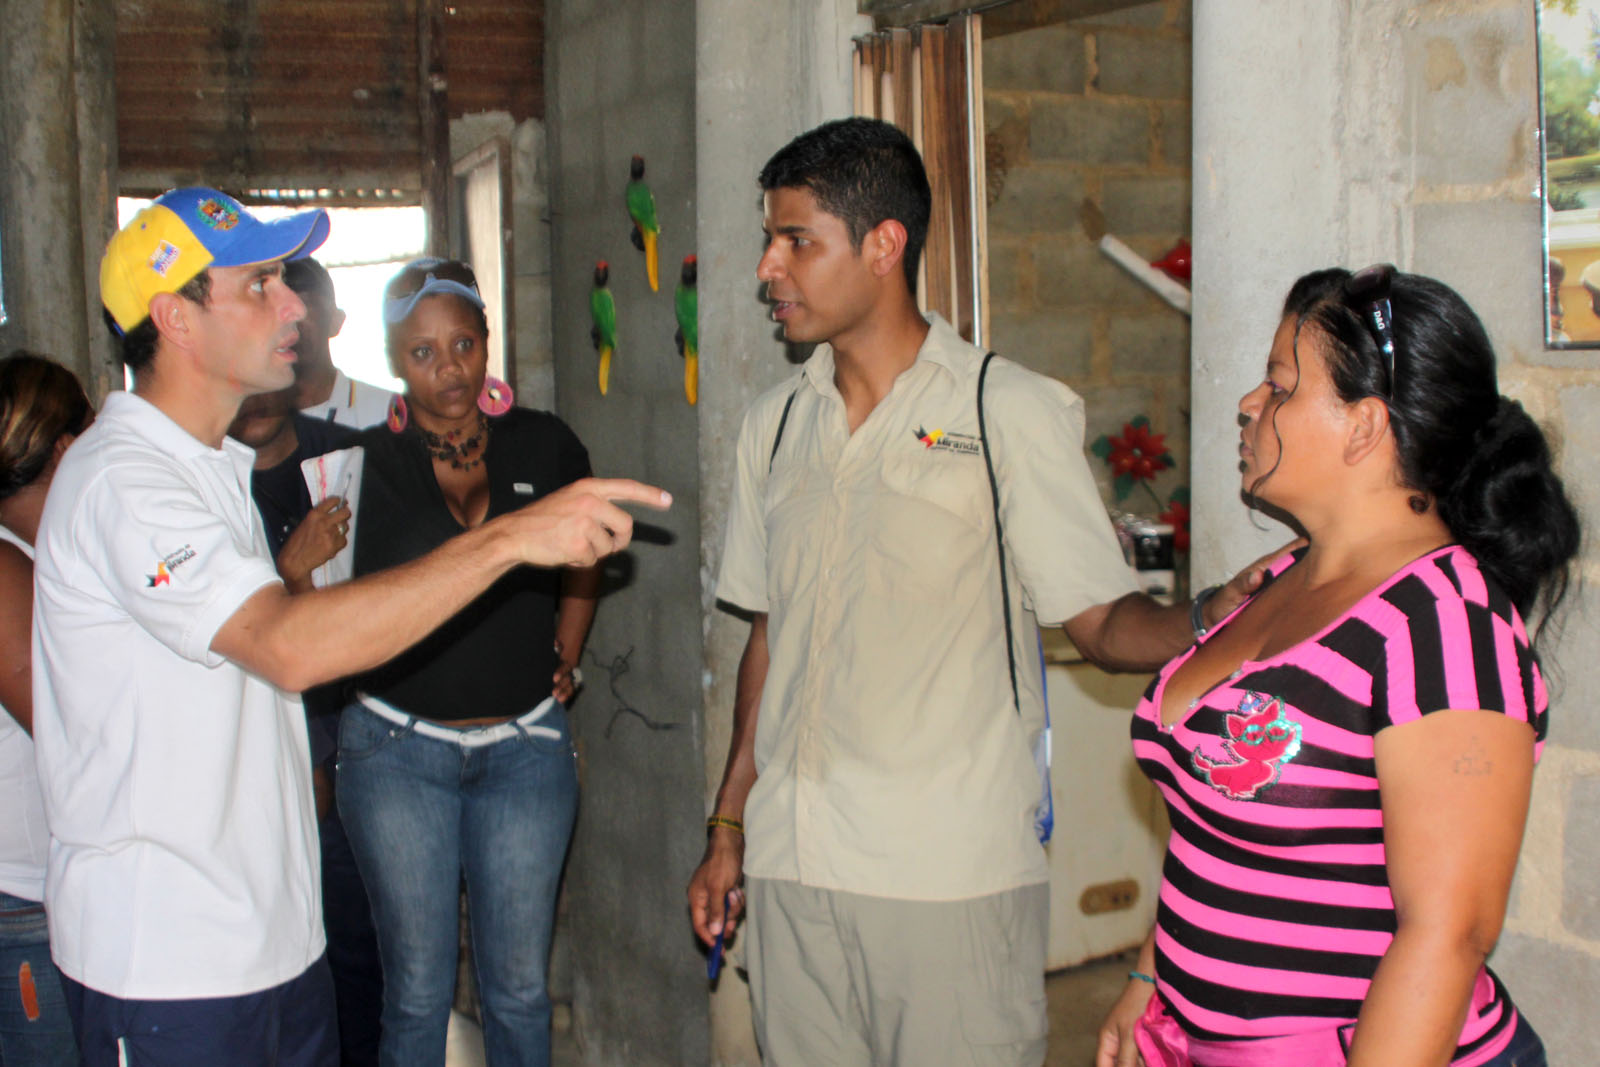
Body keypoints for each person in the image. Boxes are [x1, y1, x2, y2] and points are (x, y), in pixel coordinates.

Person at [31, 187, 668, 1067]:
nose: (297, 305)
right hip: (172, 962)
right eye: (261, 285)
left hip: (272, 948)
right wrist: (513, 538)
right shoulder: (126, 481)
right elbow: (288, 644)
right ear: (176, 318)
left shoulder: (211, 469)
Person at [686, 117, 1268, 1066]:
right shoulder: (773, 426)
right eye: (769, 239)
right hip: (792, 870)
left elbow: (1104, 619)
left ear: (884, 246)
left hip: (947, 876)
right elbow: (767, 637)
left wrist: (1213, 613)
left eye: (796, 240)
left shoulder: (1007, 412)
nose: (767, 268)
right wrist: (728, 826)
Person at [1096, 266, 1580, 1067]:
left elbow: (1448, 933)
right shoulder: (1289, 576)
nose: (1251, 405)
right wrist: (1153, 974)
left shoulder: (1443, 625)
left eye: (1282, 386)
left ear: (1363, 426)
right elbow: (1217, 833)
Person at [335, 257, 597, 1067]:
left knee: (517, 988)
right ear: (394, 363)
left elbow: (585, 558)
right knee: (416, 988)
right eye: (423, 353)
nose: (448, 367)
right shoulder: (361, 465)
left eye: (463, 344)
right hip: (395, 750)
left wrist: (569, 650)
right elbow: (327, 606)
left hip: (525, 750)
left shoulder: (546, 443)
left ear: (487, 343)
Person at [227, 385, 382, 1067]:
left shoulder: (345, 460)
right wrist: (291, 571)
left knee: (364, 955)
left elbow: (387, 597)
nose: (257, 397)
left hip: (359, 745)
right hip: (260, 771)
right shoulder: (208, 483)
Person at [0, 352, 88, 1067]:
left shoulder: (33, 555)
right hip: (22, 900)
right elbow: (66, 730)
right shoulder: (5, 569)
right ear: (66, 448)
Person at [287, 257, 395, 428]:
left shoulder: (385, 412)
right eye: (282, 313)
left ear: (335, 322)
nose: (292, 325)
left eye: (305, 309)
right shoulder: (248, 422)